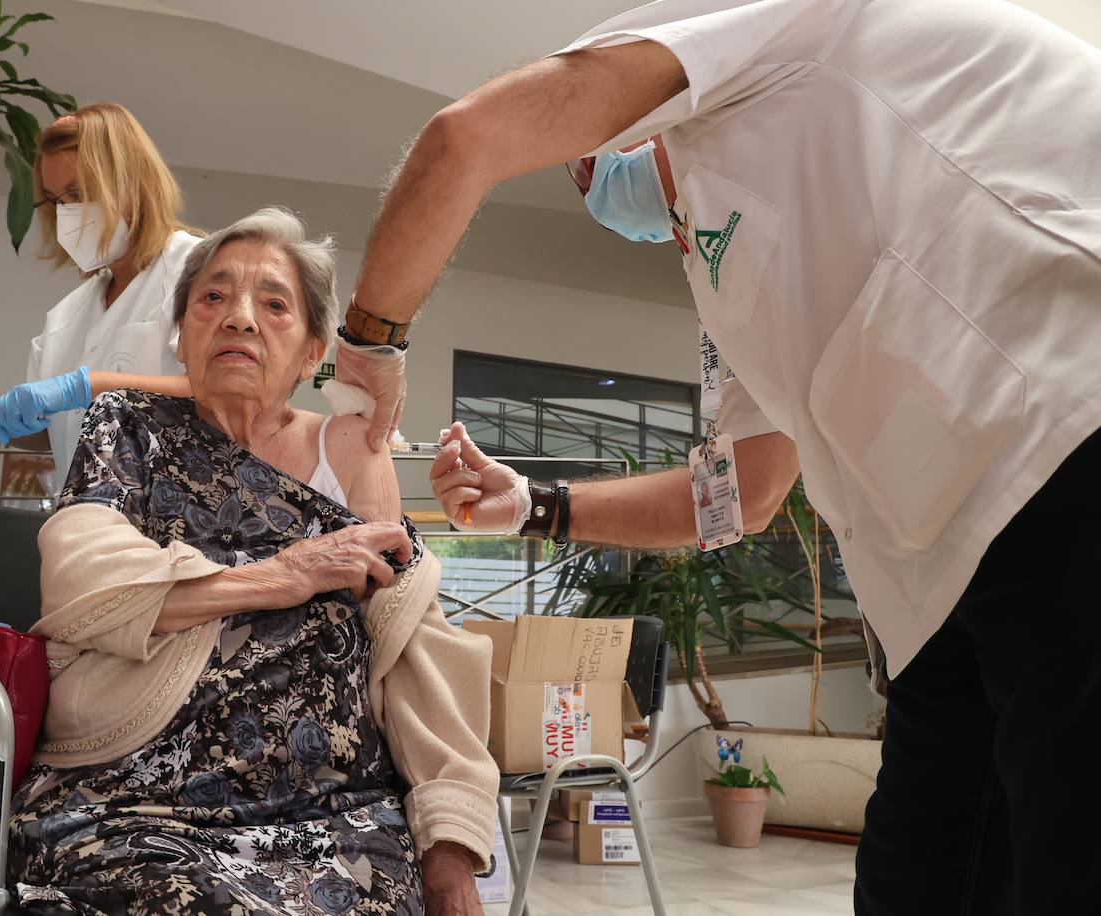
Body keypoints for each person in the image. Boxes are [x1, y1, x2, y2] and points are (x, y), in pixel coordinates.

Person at [336, 2, 1101, 913]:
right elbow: (740, 495)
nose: (596, 186)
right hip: (944, 579)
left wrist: (369, 345)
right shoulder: (718, 269)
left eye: (594, 161)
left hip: (1063, 425)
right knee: (917, 876)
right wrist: (535, 506)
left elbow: (467, 136)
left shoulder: (769, 30)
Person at [9, 208, 497, 915]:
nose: (239, 317)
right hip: (139, 799)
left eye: (273, 303)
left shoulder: (352, 450)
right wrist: (288, 573)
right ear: (182, 338)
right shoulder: (127, 426)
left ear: (310, 353)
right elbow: (84, 577)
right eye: (213, 297)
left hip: (337, 814)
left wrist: (450, 854)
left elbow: (410, 635)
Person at [0, 103, 199, 483]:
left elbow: (227, 395)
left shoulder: (199, 271)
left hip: (176, 527)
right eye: (57, 201)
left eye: (78, 193)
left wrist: (87, 386)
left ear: (133, 181)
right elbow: (53, 431)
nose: (67, 212)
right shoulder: (67, 316)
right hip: (83, 528)